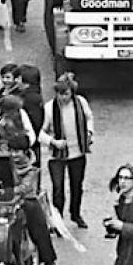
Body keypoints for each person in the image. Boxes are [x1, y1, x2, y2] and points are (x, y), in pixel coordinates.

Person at [0, 95, 63, 265]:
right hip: (0, 166)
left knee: (35, 213)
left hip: (20, 174)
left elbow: (31, 138)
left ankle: (48, 259)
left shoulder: (22, 116)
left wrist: (19, 145)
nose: (15, 114)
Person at [40, 74, 94, 228]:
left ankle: (76, 214)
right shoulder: (49, 108)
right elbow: (40, 133)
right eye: (59, 94)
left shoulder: (81, 103)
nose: (62, 97)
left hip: (77, 153)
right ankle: (58, 220)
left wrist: (89, 132)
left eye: (66, 94)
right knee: (58, 189)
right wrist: (54, 142)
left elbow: (89, 118)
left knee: (77, 186)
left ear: (72, 92)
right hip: (57, 156)